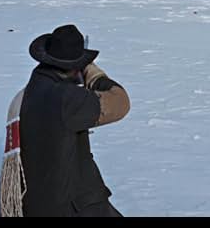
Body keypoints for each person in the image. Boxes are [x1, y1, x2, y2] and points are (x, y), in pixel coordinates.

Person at [16, 24, 130, 217]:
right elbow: (120, 102)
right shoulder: (67, 99)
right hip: (70, 207)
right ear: (74, 67)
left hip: (37, 205)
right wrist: (94, 75)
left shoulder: (34, 87)